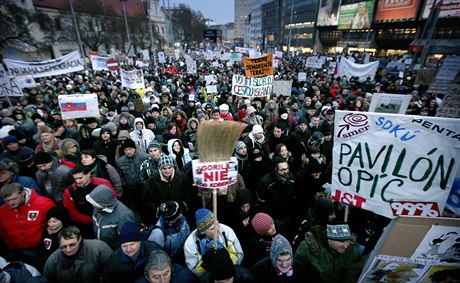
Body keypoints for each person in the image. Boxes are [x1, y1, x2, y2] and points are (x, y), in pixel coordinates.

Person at [0, 183, 54, 269]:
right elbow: (3, 232)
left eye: (14, 199)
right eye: (7, 200)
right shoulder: (2, 211)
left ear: (22, 193)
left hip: (41, 251)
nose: (11, 203)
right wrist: (12, 247)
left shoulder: (44, 204)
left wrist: (44, 246)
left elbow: (52, 227)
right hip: (18, 251)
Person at [183, 208, 244, 278]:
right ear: (203, 231)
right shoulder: (190, 244)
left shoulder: (227, 231)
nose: (218, 229)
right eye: (212, 228)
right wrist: (204, 265)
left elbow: (239, 255)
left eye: (217, 224)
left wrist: (225, 260)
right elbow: (193, 271)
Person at [294, 223, 364, 282]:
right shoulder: (307, 249)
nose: (346, 246)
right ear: (329, 239)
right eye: (341, 241)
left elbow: (353, 273)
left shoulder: (351, 250)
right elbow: (297, 273)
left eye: (348, 241)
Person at [44, 226, 113, 283]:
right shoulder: (53, 260)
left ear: (79, 239)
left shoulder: (99, 249)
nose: (68, 250)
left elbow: (113, 273)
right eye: (64, 247)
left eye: (72, 245)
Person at [63, 164, 115, 238]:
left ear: (88, 174)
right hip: (85, 226)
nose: (78, 181)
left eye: (80, 178)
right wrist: (91, 220)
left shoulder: (103, 184)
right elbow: (72, 212)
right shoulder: (69, 191)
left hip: (107, 220)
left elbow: (112, 200)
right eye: (75, 179)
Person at [142, 156, 194, 226]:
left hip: (181, 213)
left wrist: (184, 204)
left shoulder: (182, 177)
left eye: (170, 168)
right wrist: (157, 209)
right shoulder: (152, 182)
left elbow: (190, 192)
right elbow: (146, 199)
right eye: (164, 168)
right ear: (160, 169)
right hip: (163, 216)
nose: (167, 171)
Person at [86, 184, 135, 250]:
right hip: (102, 247)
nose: (93, 206)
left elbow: (127, 240)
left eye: (95, 203)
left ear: (103, 202)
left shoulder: (124, 215)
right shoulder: (98, 208)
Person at [116, 138, 148, 212]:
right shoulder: (120, 162)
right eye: (126, 150)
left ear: (134, 149)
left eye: (130, 149)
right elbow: (120, 176)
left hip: (143, 188)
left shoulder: (143, 157)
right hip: (130, 190)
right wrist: (125, 185)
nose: (128, 152)